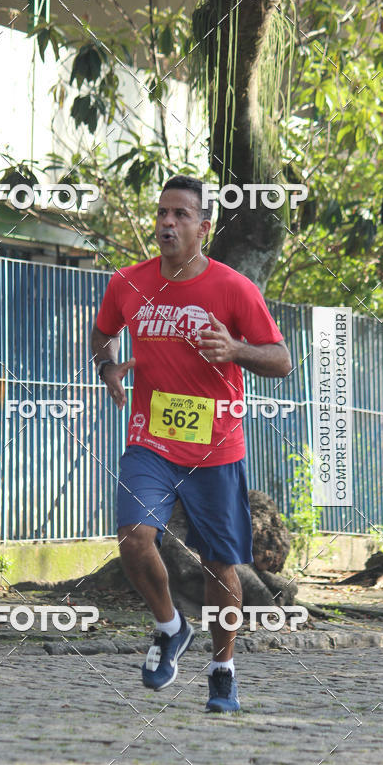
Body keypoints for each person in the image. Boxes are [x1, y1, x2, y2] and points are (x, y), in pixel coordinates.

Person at [90, 174, 291, 712]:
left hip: (215, 444)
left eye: (180, 214)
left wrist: (236, 350)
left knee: (220, 565)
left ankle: (222, 669)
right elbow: (101, 333)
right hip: (150, 439)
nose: (167, 222)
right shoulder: (128, 284)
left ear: (204, 227)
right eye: (161, 213)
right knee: (134, 539)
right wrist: (109, 366)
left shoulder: (232, 288)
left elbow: (282, 359)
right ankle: (170, 626)